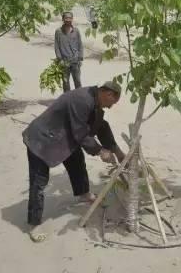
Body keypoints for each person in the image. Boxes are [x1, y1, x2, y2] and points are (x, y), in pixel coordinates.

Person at [22, 82, 126, 242]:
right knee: (39, 181)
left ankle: (83, 193)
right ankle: (34, 223)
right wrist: (99, 151)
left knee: (77, 161)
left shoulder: (94, 101)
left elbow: (101, 127)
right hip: (42, 139)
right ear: (108, 94)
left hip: (63, 136)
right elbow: (80, 132)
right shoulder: (82, 100)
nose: (110, 107)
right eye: (111, 103)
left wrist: (118, 152)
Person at [54, 12, 84, 92]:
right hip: (64, 61)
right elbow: (56, 46)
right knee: (65, 82)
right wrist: (59, 59)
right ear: (63, 19)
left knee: (77, 81)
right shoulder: (58, 32)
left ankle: (79, 99)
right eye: (66, 18)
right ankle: (67, 100)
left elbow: (80, 44)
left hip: (75, 61)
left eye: (70, 18)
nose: (68, 20)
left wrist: (80, 58)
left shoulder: (76, 31)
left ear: (72, 19)